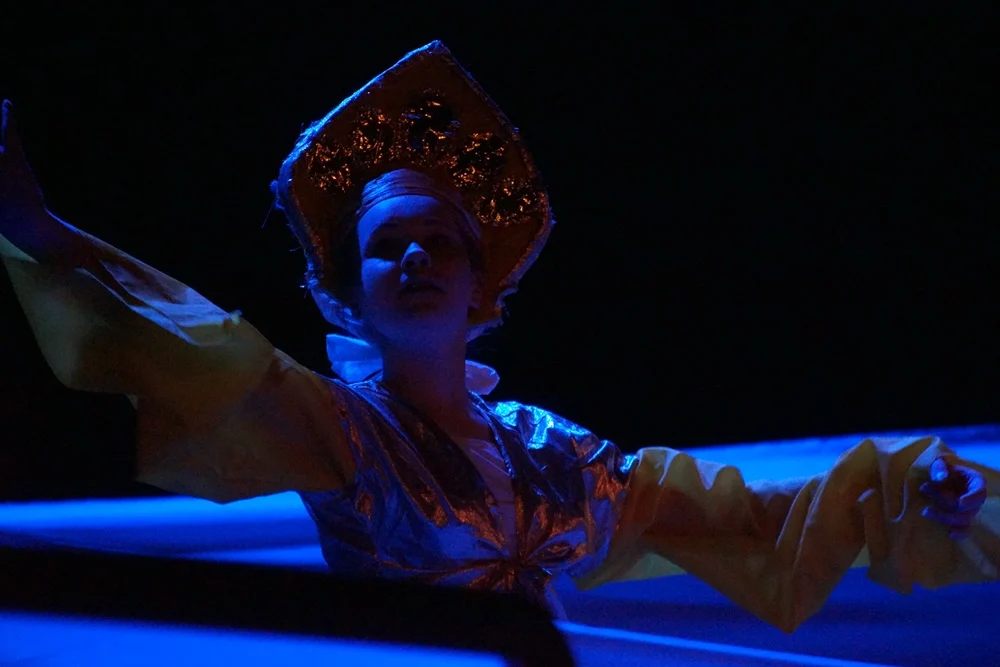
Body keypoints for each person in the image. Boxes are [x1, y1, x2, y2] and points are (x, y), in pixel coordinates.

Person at [1, 41, 997, 632]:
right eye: (388, 247)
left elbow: (740, 514)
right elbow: (196, 351)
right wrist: (43, 235)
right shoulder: (340, 431)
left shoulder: (548, 448)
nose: (417, 258)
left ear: (481, 282)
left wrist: (902, 488)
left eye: (440, 242)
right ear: (350, 297)